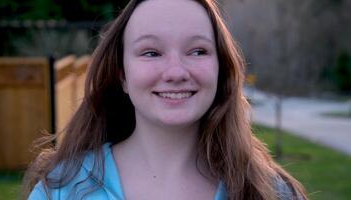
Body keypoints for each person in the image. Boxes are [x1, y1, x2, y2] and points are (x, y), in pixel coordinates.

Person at [23, 0, 308, 199]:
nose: (175, 72)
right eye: (151, 52)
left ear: (221, 69)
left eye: (197, 51)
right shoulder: (61, 191)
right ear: (122, 75)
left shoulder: (270, 192)